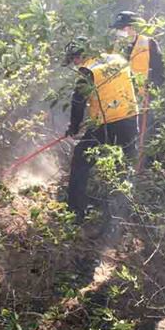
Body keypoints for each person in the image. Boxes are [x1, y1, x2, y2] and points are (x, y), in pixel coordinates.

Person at [63, 37, 139, 219]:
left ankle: (75, 211)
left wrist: (73, 127)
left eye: (74, 59)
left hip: (106, 123)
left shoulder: (88, 71)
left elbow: (78, 102)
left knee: (81, 160)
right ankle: (122, 213)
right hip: (130, 118)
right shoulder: (118, 59)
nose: (74, 63)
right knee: (125, 164)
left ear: (80, 55)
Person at [110, 11, 164, 169]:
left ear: (132, 28)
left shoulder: (149, 44)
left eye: (122, 28)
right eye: (118, 29)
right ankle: (124, 168)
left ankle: (149, 168)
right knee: (126, 136)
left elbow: (160, 71)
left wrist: (152, 90)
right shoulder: (117, 47)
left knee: (148, 132)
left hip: (145, 98)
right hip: (122, 101)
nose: (119, 32)